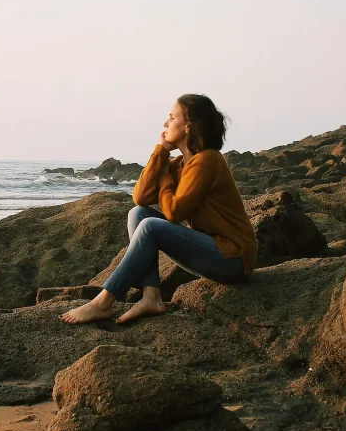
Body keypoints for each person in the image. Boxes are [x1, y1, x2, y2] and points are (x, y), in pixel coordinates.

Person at [60, 94, 258, 325]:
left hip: (233, 258)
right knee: (138, 214)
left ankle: (104, 301)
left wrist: (164, 177)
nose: (165, 124)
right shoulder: (180, 164)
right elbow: (141, 197)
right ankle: (151, 295)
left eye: (172, 117)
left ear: (188, 127)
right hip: (211, 248)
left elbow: (174, 213)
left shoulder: (208, 160)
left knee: (151, 226)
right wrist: (161, 152)